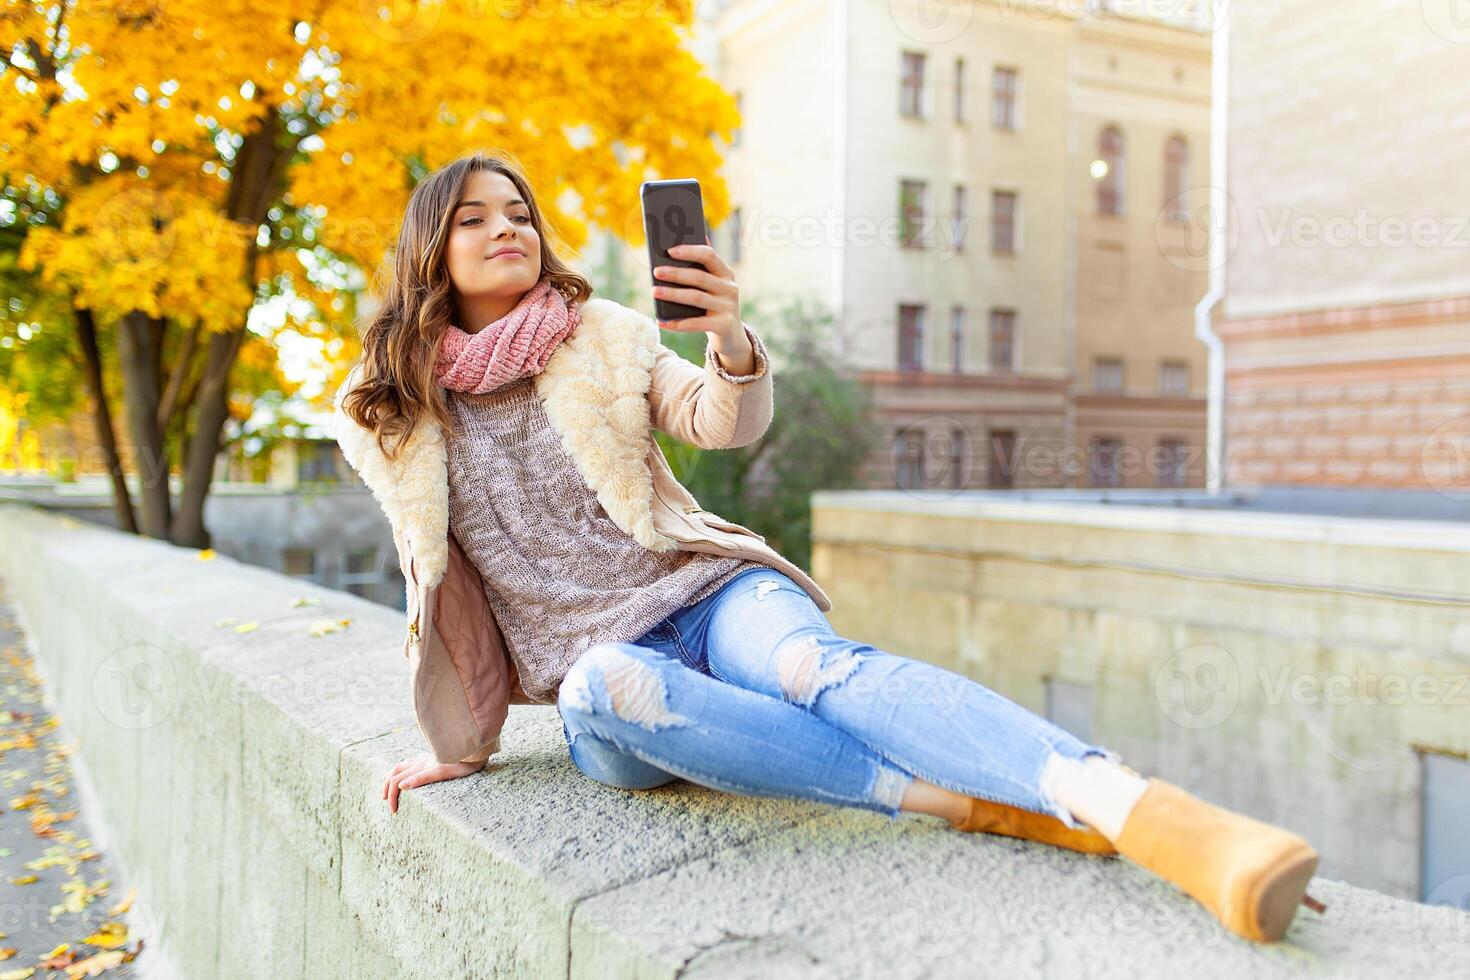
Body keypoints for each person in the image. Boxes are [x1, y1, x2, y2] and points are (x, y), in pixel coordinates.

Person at [339, 151, 1321, 944]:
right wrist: (456, 743)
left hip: (707, 596)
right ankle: (959, 797)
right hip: (609, 675)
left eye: (518, 210)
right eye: (474, 216)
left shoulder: (601, 333)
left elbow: (715, 419)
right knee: (603, 684)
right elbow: (439, 593)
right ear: (433, 249)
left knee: (812, 662)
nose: (507, 225)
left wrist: (728, 336)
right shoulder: (395, 412)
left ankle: (1142, 810)